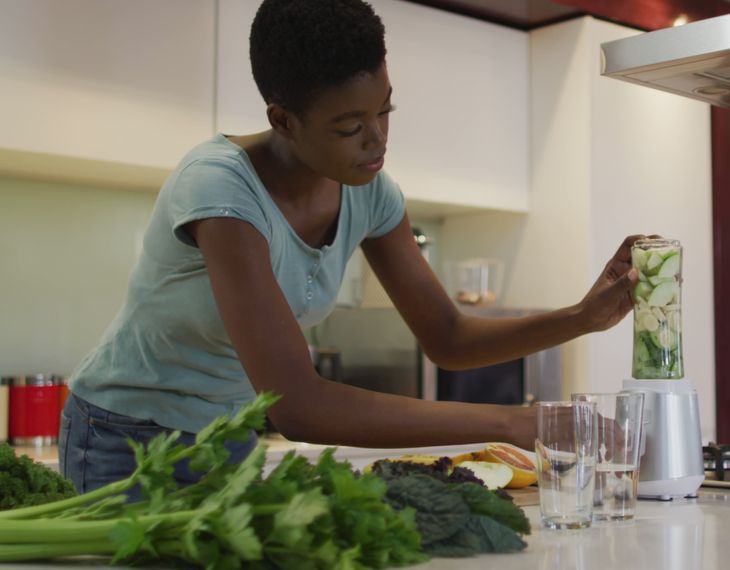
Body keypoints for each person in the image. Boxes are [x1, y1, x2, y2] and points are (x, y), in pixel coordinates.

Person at [58, 0, 640, 494]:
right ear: (283, 121)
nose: (378, 138)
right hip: (123, 439)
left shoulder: (370, 194)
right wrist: (515, 423)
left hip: (227, 438)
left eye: (385, 109)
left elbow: (448, 339)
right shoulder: (220, 189)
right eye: (349, 126)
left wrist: (581, 318)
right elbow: (299, 406)